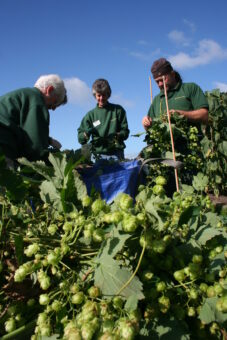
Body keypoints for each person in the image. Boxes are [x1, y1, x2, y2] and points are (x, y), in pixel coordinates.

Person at [0, 74, 67, 163]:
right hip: (3, 144)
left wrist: (49, 140)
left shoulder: (24, 95)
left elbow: (27, 131)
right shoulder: (37, 101)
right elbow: (36, 149)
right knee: (10, 174)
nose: (53, 109)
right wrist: (59, 159)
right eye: (55, 102)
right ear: (49, 90)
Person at [142, 58, 209, 129]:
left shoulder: (190, 88)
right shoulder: (157, 99)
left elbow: (204, 115)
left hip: (191, 139)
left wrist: (181, 114)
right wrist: (146, 124)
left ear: (172, 74)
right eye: (157, 82)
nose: (160, 84)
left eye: (162, 80)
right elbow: (151, 129)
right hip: (165, 140)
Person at [77, 79, 130, 160]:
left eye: (104, 95)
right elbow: (80, 139)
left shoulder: (118, 110)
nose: (101, 98)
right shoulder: (90, 115)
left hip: (116, 154)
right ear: (95, 95)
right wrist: (85, 134)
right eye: (99, 95)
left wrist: (118, 135)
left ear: (108, 94)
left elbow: (125, 131)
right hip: (98, 156)